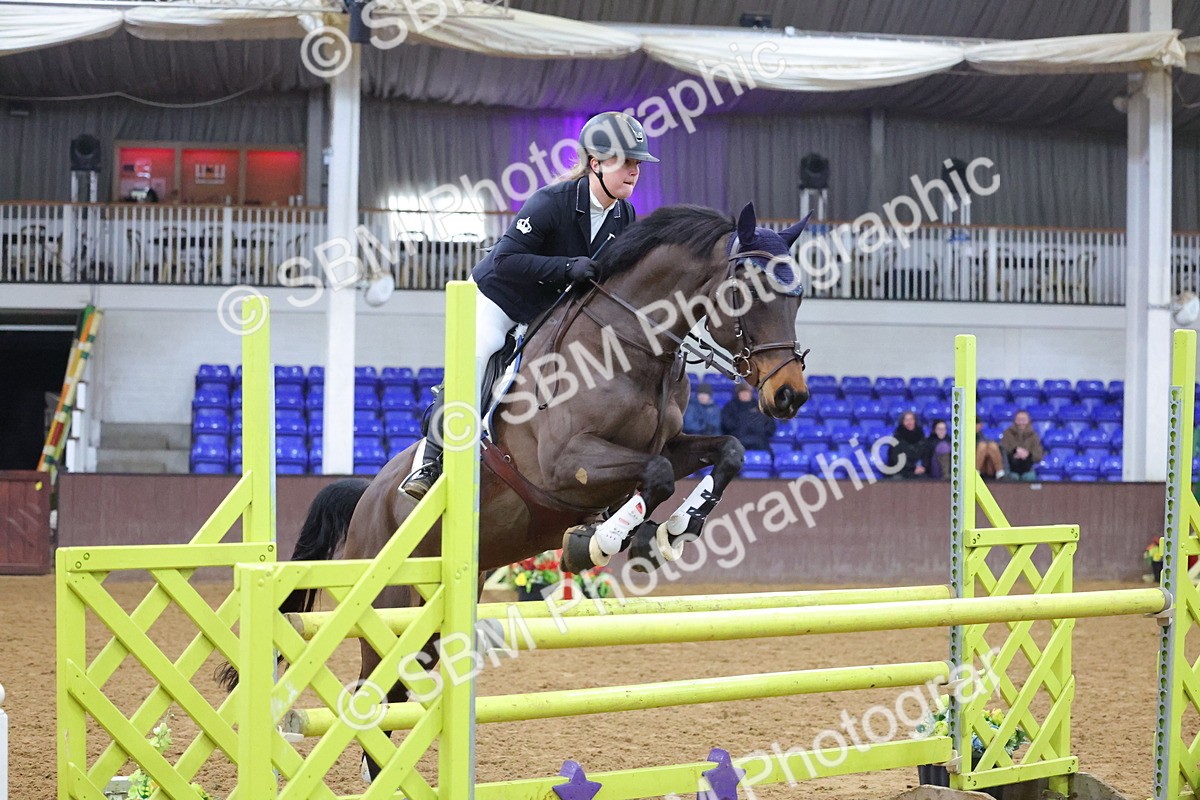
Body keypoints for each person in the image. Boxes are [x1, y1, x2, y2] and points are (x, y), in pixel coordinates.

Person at [401, 112, 658, 499]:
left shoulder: (624, 215)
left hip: (547, 312)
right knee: (477, 357)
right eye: (625, 161)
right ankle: (431, 459)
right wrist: (567, 267)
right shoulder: (551, 203)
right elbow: (505, 260)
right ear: (595, 163)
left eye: (637, 163)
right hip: (498, 299)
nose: (634, 171)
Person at [721, 384, 776, 451]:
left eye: (747, 392)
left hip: (759, 440)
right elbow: (726, 423)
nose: (745, 394)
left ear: (751, 393)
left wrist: (762, 431)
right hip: (738, 439)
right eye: (742, 392)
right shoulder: (730, 407)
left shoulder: (760, 406)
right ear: (738, 394)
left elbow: (770, 425)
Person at [1000, 410, 1044, 481]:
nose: (1021, 422)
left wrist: (1027, 454)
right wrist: (1015, 451)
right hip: (1011, 468)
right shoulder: (1007, 433)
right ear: (1015, 420)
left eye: (1023, 420)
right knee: (1012, 477)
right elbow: (1003, 449)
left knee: (1030, 477)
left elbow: (1038, 455)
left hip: (1028, 468)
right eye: (1019, 420)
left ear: (1028, 421)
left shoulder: (1034, 435)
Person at [887, 411, 927, 478]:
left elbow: (926, 455)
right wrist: (913, 468)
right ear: (902, 422)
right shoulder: (897, 439)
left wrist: (923, 467)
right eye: (907, 420)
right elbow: (895, 459)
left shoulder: (921, 437)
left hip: (919, 471)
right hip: (902, 472)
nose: (909, 422)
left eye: (911, 419)